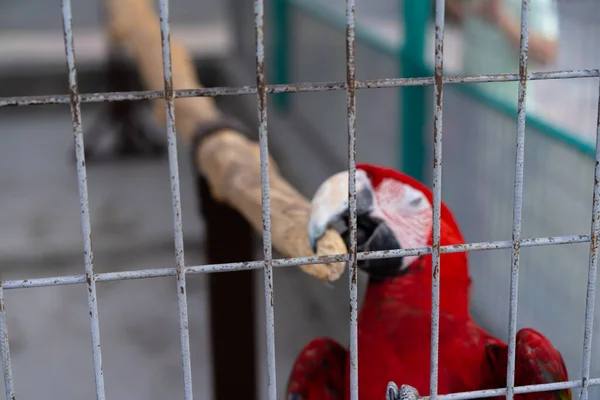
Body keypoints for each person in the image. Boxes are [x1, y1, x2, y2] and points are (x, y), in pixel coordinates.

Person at [445, 0, 559, 114]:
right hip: (468, 102)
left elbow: (548, 53)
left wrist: (501, 18)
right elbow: (451, 14)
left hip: (508, 112)